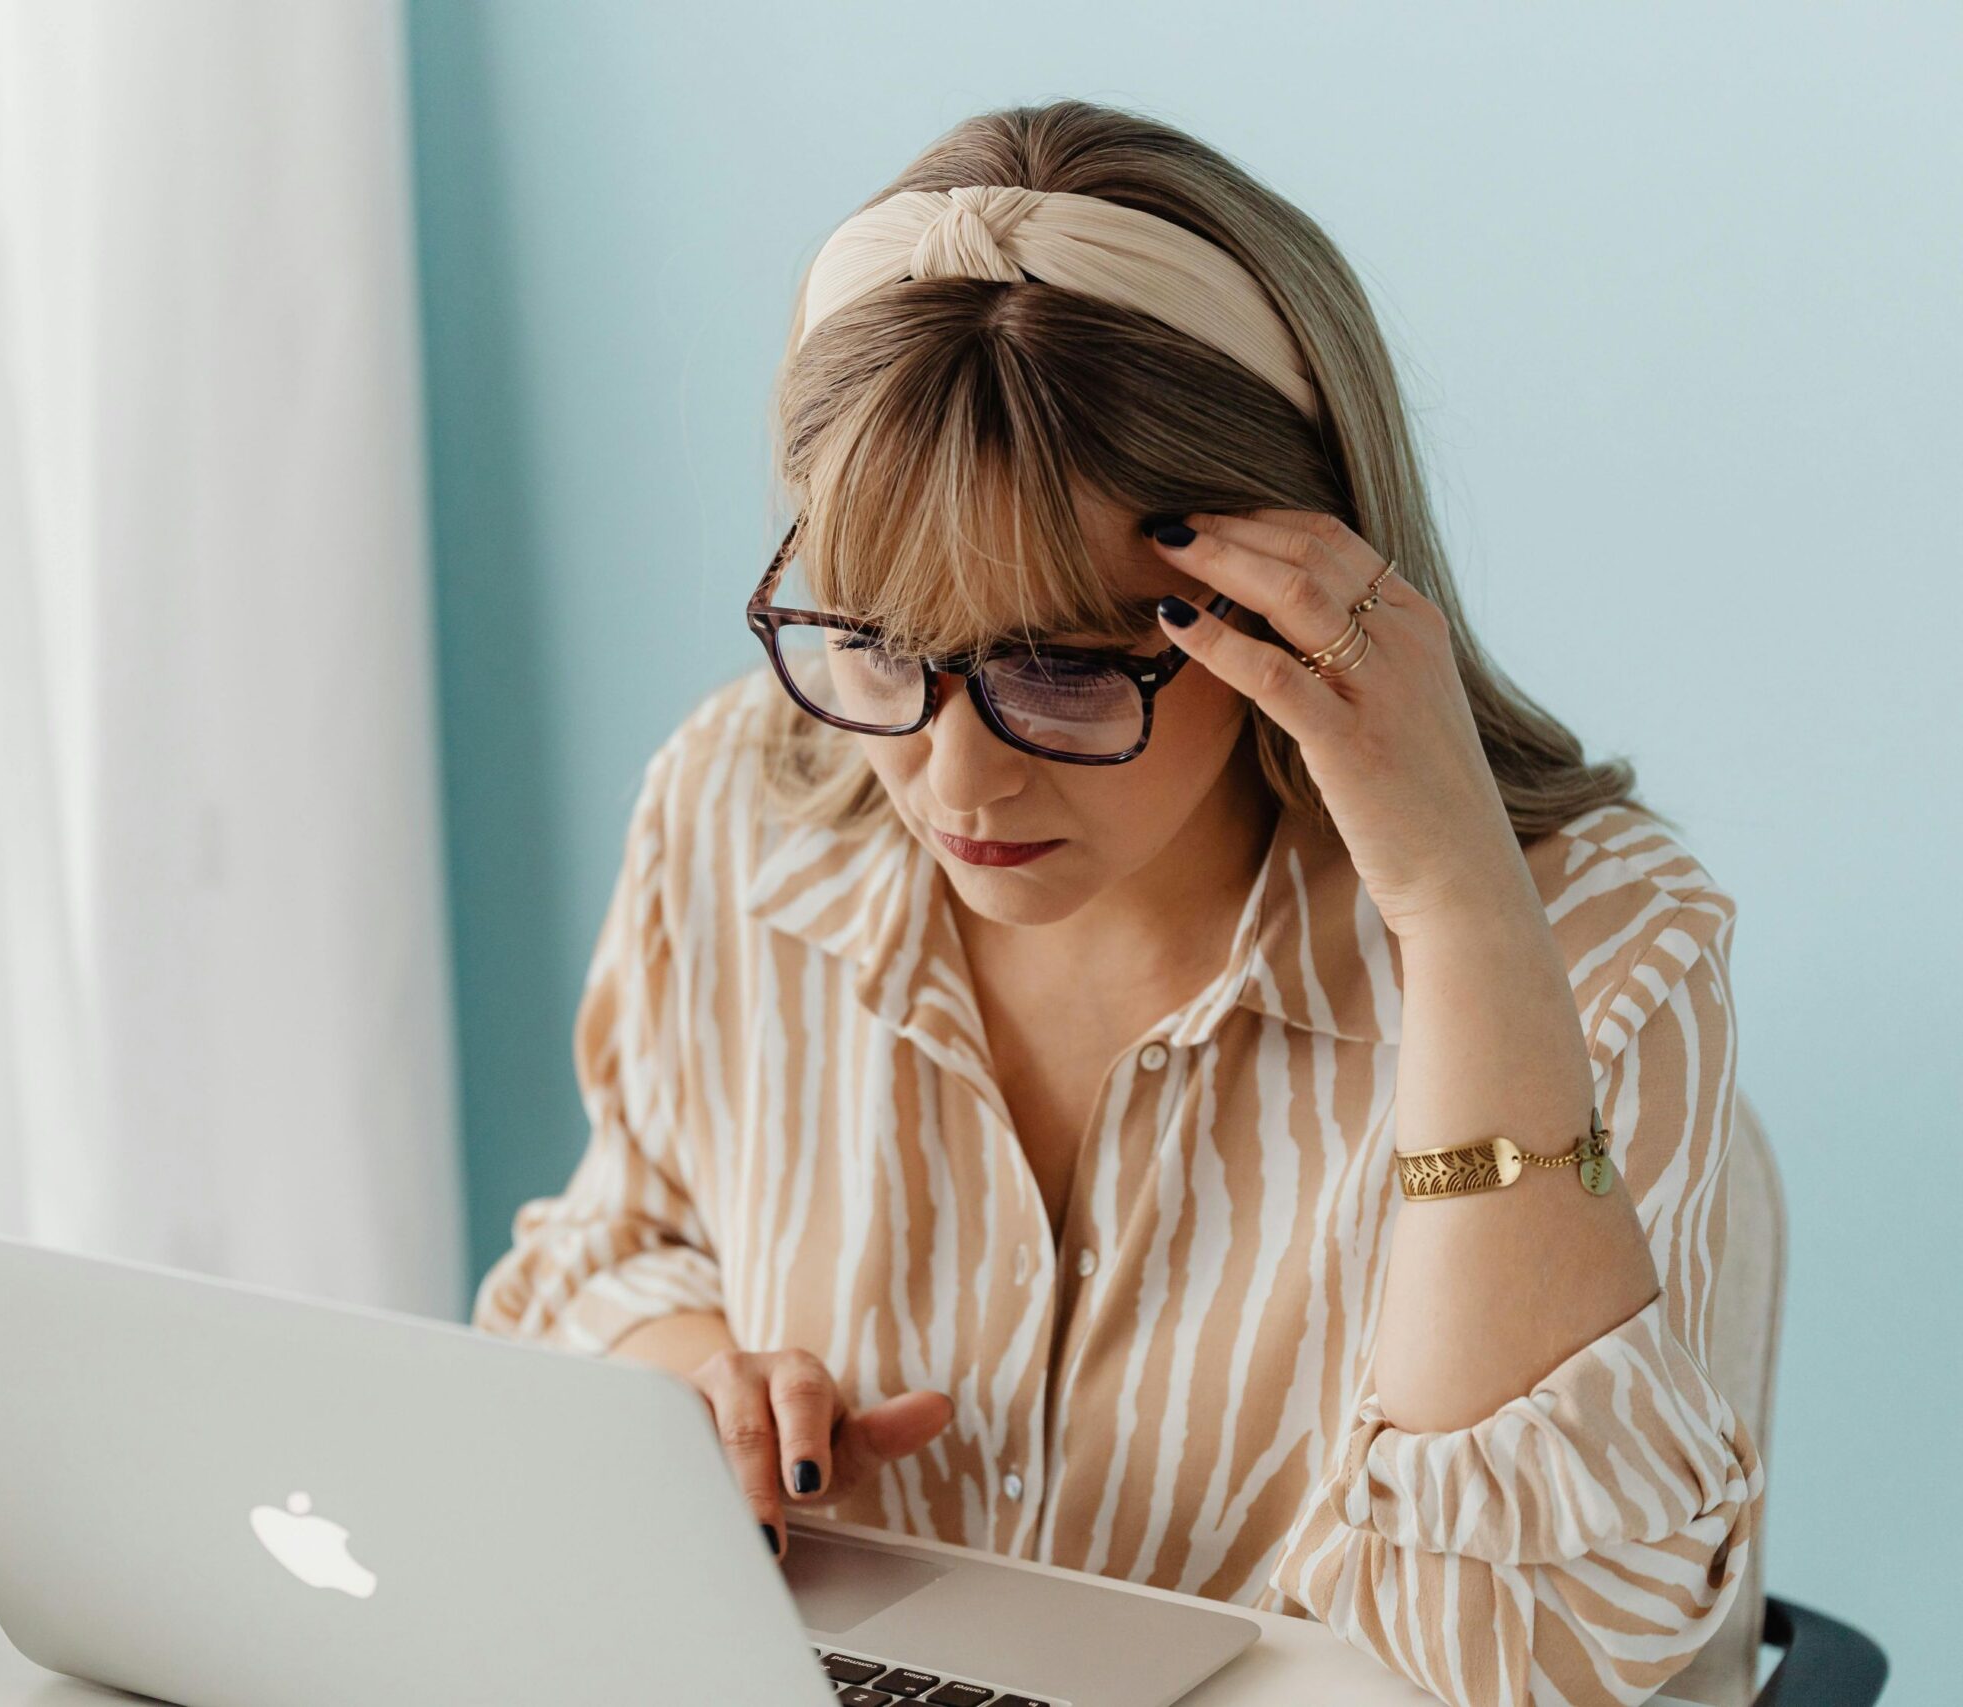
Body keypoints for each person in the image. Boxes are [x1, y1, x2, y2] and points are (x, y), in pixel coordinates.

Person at [468, 98, 1761, 1707]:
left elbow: (1538, 1659)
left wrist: (1457, 915)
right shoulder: (740, 803)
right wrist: (693, 1389)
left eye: (1061, 665)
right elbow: (613, 1250)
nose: (957, 785)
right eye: (875, 642)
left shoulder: (1593, 942)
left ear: (1295, 593)